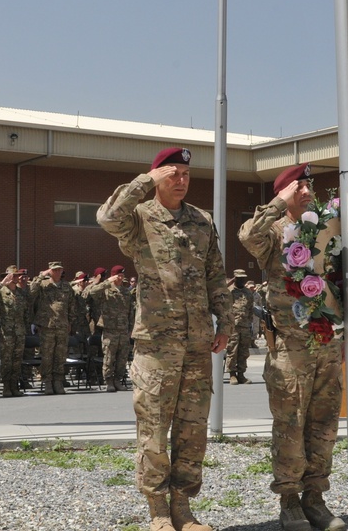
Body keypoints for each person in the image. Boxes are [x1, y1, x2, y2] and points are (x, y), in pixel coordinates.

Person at [97, 146, 231, 531]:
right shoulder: (138, 217)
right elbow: (107, 217)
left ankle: (183, 509)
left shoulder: (202, 221)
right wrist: (143, 183)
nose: (181, 181)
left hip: (197, 343)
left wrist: (225, 323)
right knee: (154, 427)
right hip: (156, 342)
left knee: (193, 428)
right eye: (172, 174)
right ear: (157, 177)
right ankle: (157, 510)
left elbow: (215, 276)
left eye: (186, 175)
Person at [238, 162, 346, 531]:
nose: (306, 190)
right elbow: (246, 235)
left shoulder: (325, 229)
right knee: (290, 425)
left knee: (325, 424)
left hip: (326, 341)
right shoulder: (272, 229)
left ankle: (315, 498)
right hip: (289, 344)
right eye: (298, 185)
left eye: (308, 185)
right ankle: (289, 500)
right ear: (283, 192)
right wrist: (275, 204)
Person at [29, 262, 81, 395]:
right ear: (50, 271)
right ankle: (47, 381)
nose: (57, 272)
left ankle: (58, 381)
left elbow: (72, 306)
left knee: (60, 355)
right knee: (47, 355)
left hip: (63, 325)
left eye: (59, 270)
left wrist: (71, 322)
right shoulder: (43, 285)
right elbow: (31, 292)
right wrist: (41, 276)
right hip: (47, 325)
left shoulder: (66, 286)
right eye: (54, 270)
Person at [84, 264, 135, 392]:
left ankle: (118, 380)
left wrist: (131, 328)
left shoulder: (125, 292)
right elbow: (92, 292)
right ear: (113, 276)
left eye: (122, 275)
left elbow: (130, 312)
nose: (120, 277)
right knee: (109, 357)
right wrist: (106, 282)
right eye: (118, 275)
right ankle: (109, 381)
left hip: (123, 329)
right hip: (110, 329)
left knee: (122, 357)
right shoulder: (106, 290)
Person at [0, 265, 31, 397]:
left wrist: (26, 327)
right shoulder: (1, 291)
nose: (16, 278)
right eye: (13, 275)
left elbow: (27, 312)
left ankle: (14, 386)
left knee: (17, 360)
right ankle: (6, 387)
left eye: (17, 275)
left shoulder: (21, 292)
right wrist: (2, 284)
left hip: (19, 332)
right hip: (6, 332)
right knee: (6, 361)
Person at [225, 270, 253, 385]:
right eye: (239, 278)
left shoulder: (248, 293)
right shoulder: (229, 291)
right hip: (233, 326)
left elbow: (250, 308)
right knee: (232, 350)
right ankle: (232, 374)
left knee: (244, 351)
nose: (241, 280)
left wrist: (249, 322)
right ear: (234, 278)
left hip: (245, 325)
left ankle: (241, 374)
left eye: (243, 278)